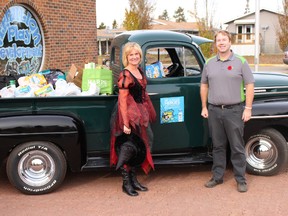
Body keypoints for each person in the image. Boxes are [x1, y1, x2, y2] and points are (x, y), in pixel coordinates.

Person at [200, 30, 254, 193]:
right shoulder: (209, 63)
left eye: (224, 40)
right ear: (215, 44)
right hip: (214, 110)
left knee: (237, 146)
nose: (221, 43)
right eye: (218, 40)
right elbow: (204, 85)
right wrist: (204, 106)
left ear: (230, 42)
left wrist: (248, 108)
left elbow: (250, 85)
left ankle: (240, 179)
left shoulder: (241, 61)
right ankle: (217, 176)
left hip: (235, 110)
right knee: (218, 146)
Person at [110, 42, 156, 196]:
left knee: (139, 146)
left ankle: (134, 180)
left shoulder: (139, 71)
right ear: (126, 57)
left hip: (140, 114)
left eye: (137, 54)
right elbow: (122, 100)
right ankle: (126, 183)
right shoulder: (125, 74)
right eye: (131, 55)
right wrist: (125, 123)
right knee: (128, 147)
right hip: (127, 115)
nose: (135, 57)